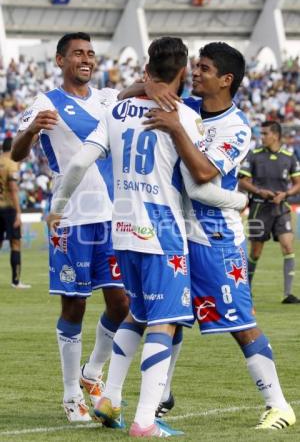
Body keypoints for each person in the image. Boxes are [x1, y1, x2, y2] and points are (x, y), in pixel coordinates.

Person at [47, 37, 248, 437]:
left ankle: (109, 397)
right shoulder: (184, 118)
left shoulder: (116, 110)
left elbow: (80, 162)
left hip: (121, 230)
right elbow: (200, 187)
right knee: (166, 323)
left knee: (137, 313)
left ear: (147, 67)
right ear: (181, 70)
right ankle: (144, 421)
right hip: (162, 233)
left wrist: (57, 205)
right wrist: (240, 198)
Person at [143, 42, 296, 430]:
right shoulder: (186, 108)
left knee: (239, 322)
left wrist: (177, 128)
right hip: (177, 233)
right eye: (195, 67)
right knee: (170, 316)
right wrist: (150, 85)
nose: (195, 73)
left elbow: (202, 174)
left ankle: (279, 405)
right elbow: (143, 91)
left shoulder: (236, 126)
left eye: (205, 69)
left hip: (215, 239)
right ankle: (160, 395)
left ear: (226, 80)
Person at [11, 32, 129, 422]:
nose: (86, 59)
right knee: (75, 305)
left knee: (122, 303)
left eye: (91, 54)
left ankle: (92, 372)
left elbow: (132, 97)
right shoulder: (45, 102)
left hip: (111, 216)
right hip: (71, 218)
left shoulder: (108, 99)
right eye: (78, 53)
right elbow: (16, 152)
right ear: (60, 60)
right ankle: (69, 396)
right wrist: (30, 131)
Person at [239, 121, 300, 304]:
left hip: (281, 208)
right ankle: (246, 291)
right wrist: (260, 192)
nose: (261, 137)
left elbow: (297, 183)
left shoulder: (289, 157)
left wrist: (286, 194)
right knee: (255, 252)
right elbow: (243, 181)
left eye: (265, 133)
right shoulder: (254, 155)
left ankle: (288, 294)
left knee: (288, 247)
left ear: (275, 135)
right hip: (259, 208)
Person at [0, 136, 31, 288]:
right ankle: (16, 281)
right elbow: (13, 188)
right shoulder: (12, 163)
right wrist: (18, 213)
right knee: (15, 244)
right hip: (9, 209)